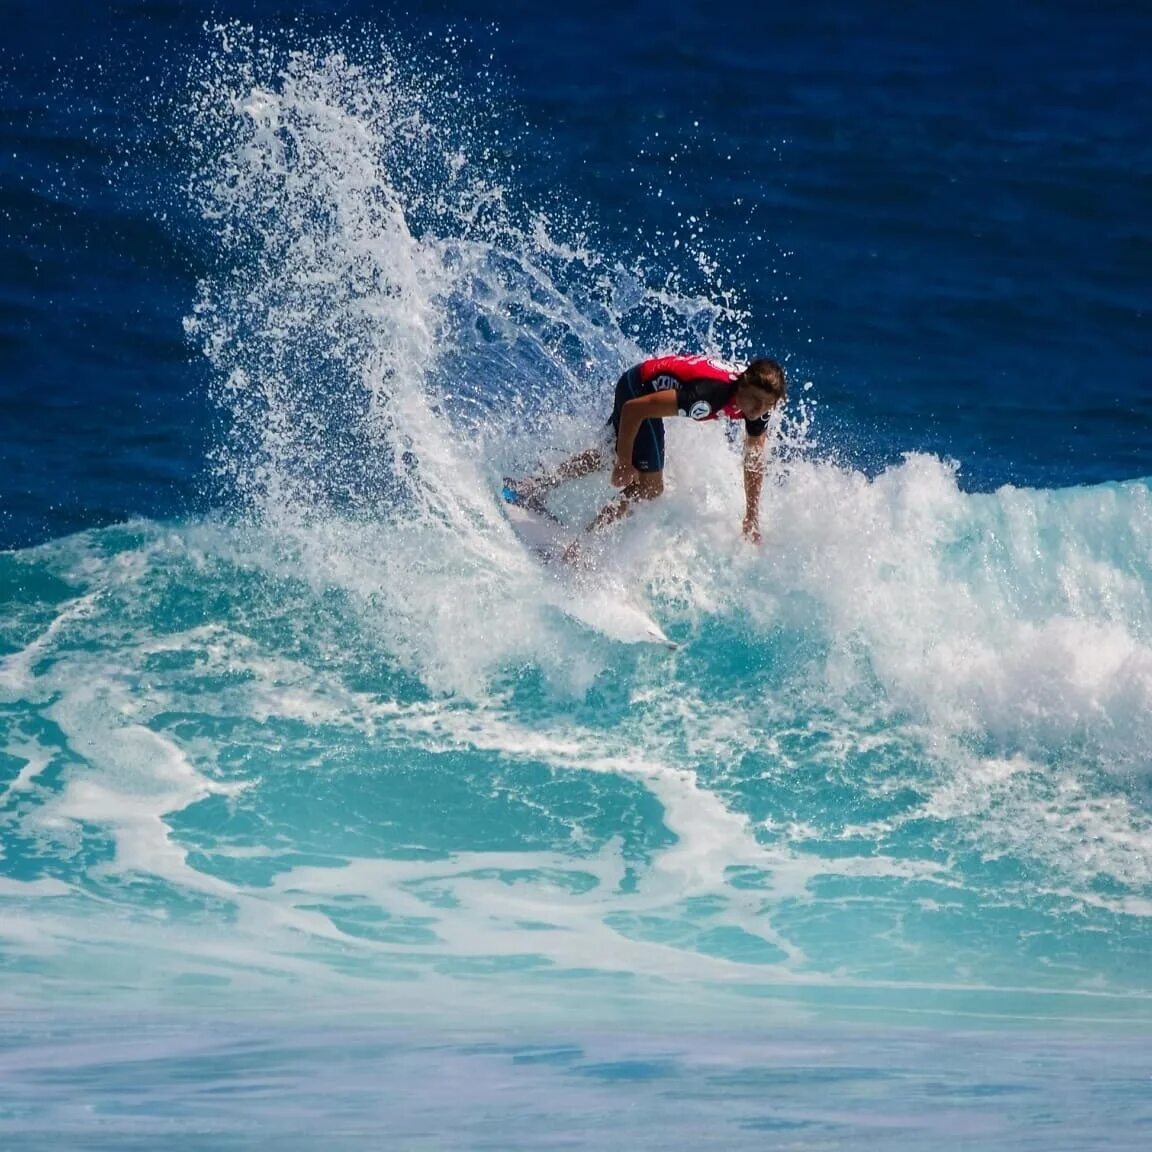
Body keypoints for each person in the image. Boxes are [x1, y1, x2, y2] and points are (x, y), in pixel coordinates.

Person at [505, 354, 786, 559]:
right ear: (742, 385)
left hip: (640, 388)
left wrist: (751, 517)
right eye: (754, 400)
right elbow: (633, 409)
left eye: (767, 405)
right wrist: (624, 463)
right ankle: (581, 548)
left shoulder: (759, 409)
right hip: (636, 390)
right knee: (650, 487)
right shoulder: (708, 396)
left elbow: (753, 460)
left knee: (607, 455)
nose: (758, 409)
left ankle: (533, 486)